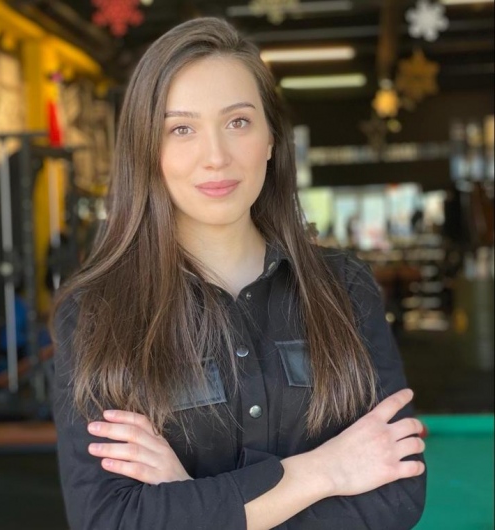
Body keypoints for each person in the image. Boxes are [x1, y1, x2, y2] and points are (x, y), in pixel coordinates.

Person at [52, 17, 426, 530]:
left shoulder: (345, 288)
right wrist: (326, 471)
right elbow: (110, 519)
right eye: (181, 129)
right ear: (147, 149)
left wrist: (191, 501)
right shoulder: (96, 313)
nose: (216, 157)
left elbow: (397, 497)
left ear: (271, 138)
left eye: (238, 122)